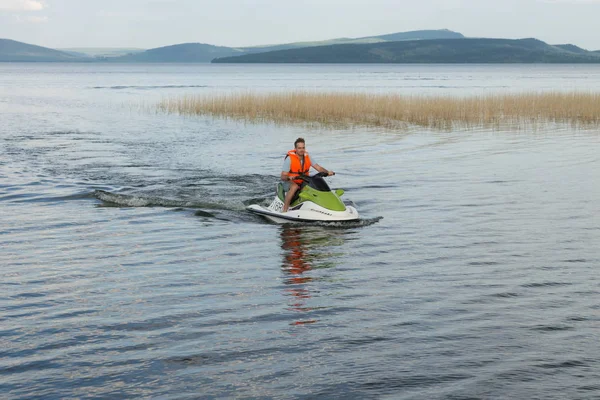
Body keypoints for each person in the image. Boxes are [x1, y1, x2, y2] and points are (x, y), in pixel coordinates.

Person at [280, 137, 334, 212]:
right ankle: (285, 210)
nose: (302, 150)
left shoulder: (307, 157)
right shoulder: (289, 159)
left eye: (303, 148)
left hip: (303, 180)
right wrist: (289, 177)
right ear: (295, 148)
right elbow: (283, 176)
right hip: (289, 181)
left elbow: (318, 168)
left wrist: (327, 172)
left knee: (315, 187)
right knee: (294, 187)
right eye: (299, 148)